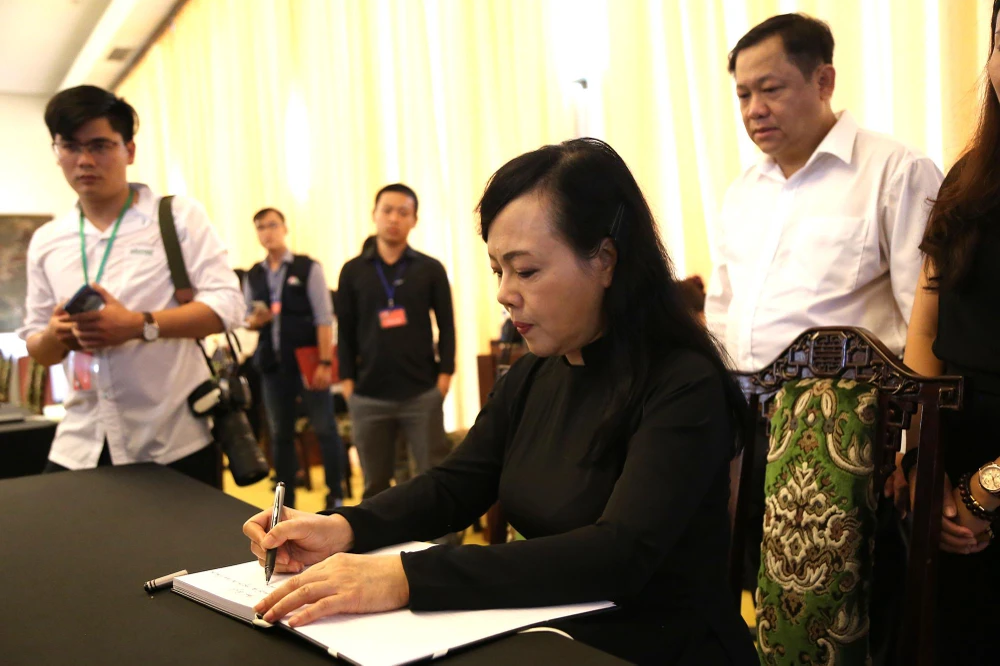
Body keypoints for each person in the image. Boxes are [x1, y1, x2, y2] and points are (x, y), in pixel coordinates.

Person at [244, 139, 758, 664]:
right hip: (548, 634)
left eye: (526, 271)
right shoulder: (535, 373)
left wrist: (404, 576)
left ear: (605, 260)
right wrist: (345, 526)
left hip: (657, 648)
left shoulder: (683, 383)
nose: (504, 293)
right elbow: (456, 484)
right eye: (498, 270)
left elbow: (619, 554)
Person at [705, 13, 944, 602]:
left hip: (850, 438)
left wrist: (912, 453)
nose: (754, 109)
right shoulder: (743, 193)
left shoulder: (896, 171)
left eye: (770, 88)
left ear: (824, 81)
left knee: (850, 605)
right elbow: (722, 314)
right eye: (743, 94)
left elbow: (927, 321)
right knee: (761, 595)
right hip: (749, 431)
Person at [18, 85, 244, 485]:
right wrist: (56, 335)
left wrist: (139, 324)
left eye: (100, 145)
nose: (85, 160)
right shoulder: (48, 240)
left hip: (173, 438)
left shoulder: (176, 217)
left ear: (130, 150)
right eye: (70, 146)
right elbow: (38, 346)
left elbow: (228, 305)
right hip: (81, 441)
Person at [884, 3, 1000, 661]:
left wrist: (985, 492)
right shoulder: (968, 178)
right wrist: (922, 461)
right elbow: (927, 316)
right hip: (951, 454)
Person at [336, 184, 456, 499]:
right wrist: (348, 385)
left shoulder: (430, 269)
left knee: (433, 479)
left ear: (414, 220)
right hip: (368, 396)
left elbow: (447, 327)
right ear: (374, 215)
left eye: (403, 212)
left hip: (421, 392)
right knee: (374, 486)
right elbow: (344, 333)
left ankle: (436, 533)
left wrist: (444, 378)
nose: (394, 218)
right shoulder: (352, 271)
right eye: (387, 210)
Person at [244, 207, 346, 510]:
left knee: (325, 428)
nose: (268, 232)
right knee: (280, 434)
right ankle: (286, 500)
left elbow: (324, 318)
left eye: (273, 225)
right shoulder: (254, 274)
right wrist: (255, 321)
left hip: (308, 364)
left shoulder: (306, 267)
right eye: (261, 227)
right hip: (273, 366)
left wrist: (325, 363)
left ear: (285, 228)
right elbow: (246, 318)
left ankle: (335, 493)